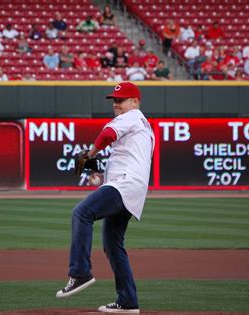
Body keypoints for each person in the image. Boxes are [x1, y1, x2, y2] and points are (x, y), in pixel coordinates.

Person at [56, 81, 154, 315]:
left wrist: (89, 154)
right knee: (112, 243)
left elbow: (108, 134)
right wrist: (99, 169)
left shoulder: (132, 116)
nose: (117, 104)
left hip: (124, 184)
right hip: (130, 187)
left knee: (82, 212)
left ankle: (80, 273)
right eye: (115, 100)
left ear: (135, 102)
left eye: (121, 100)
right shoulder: (142, 125)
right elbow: (127, 155)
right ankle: (128, 301)